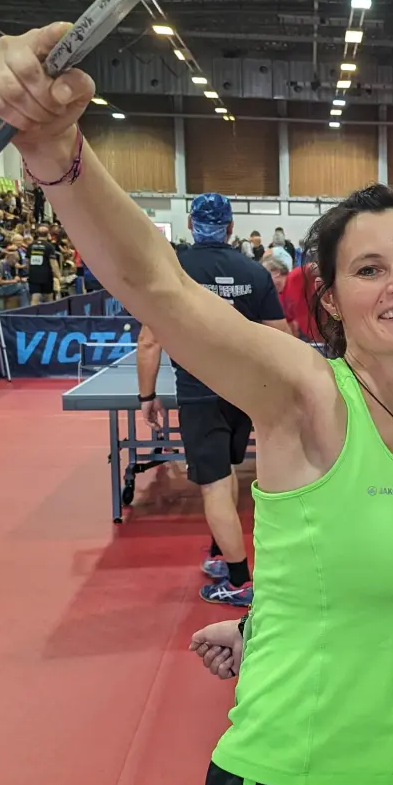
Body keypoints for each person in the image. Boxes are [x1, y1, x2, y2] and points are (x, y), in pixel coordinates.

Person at [0, 24, 393, 785]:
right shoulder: (305, 391)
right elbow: (157, 286)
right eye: (369, 268)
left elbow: (349, 573)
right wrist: (57, 152)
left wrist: (262, 623)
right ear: (332, 300)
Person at [136, 194, 291, 606]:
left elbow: (150, 340)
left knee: (215, 485)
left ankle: (239, 581)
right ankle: (223, 552)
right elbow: (282, 337)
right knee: (227, 478)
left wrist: (147, 395)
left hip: (199, 395)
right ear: (229, 227)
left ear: (190, 224)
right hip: (244, 394)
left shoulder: (174, 270)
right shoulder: (254, 272)